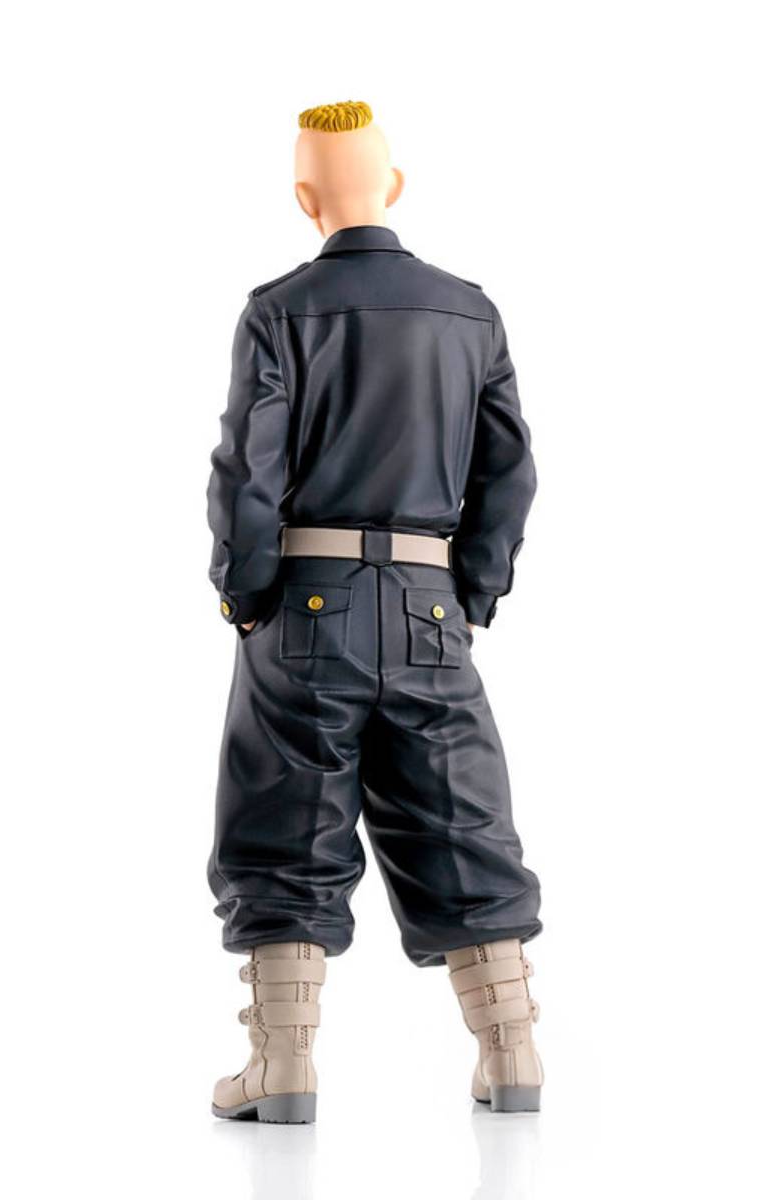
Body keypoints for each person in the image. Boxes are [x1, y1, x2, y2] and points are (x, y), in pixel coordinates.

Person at [205, 101, 543, 1123]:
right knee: (461, 816)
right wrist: (469, 594)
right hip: (432, 608)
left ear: (304, 198)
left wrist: (246, 593)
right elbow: (509, 474)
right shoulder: (470, 313)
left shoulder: (278, 311)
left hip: (305, 603)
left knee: (285, 823)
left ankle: (283, 1069)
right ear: (393, 187)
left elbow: (248, 473)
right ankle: (514, 1058)